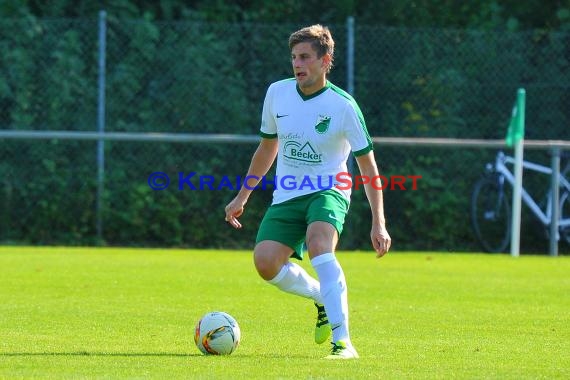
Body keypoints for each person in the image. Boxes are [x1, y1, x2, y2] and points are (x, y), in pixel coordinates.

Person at [224, 24, 391, 359]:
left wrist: (379, 222)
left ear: (325, 60)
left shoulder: (343, 106)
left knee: (319, 246)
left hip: (329, 190)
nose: (297, 64)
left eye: (304, 57)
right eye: (293, 57)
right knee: (266, 263)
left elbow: (368, 167)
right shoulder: (277, 93)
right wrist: (243, 196)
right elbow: (267, 148)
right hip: (288, 193)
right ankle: (321, 297)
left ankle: (343, 342)